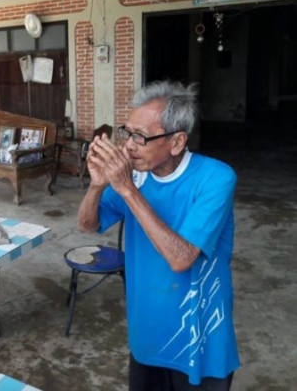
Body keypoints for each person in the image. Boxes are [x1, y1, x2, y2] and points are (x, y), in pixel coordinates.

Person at [77, 81, 239, 391]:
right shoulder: (136, 175)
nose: (127, 146)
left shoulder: (216, 178)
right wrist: (97, 185)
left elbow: (182, 258)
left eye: (140, 137)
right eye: (126, 133)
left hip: (199, 336)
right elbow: (87, 225)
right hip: (147, 332)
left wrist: (126, 188)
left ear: (177, 142)